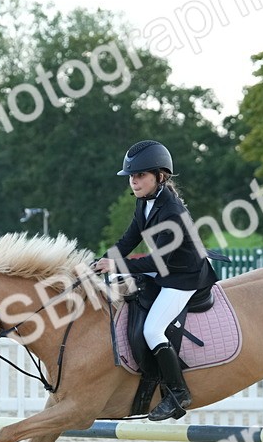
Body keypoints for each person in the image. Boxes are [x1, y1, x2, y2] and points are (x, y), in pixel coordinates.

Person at [93, 140, 218, 421]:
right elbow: (128, 239)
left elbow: (158, 260)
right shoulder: (145, 203)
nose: (134, 183)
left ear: (160, 176)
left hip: (184, 276)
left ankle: (177, 392)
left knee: (152, 330)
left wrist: (116, 264)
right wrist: (102, 260)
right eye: (131, 177)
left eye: (140, 176)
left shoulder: (172, 211)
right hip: (165, 268)